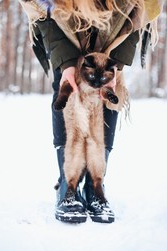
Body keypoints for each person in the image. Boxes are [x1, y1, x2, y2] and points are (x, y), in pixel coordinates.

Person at [19, 0, 163, 223]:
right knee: (67, 88)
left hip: (118, 26)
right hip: (64, 21)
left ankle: (96, 187)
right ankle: (69, 184)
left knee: (108, 94)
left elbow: (142, 10)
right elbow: (40, 8)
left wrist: (115, 65)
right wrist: (66, 63)